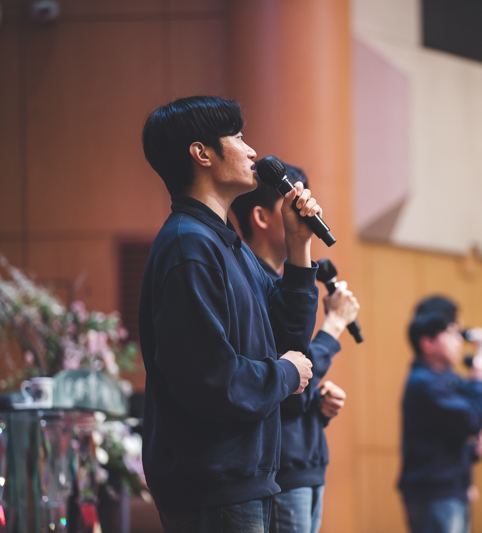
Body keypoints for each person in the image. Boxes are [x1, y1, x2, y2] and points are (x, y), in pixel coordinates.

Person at [139, 96, 322, 532]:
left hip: (242, 480)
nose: (252, 150)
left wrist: (298, 247)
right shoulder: (189, 246)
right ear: (202, 153)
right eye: (238, 137)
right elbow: (212, 379)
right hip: (213, 485)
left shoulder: (226, 244)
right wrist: (285, 373)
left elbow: (288, 341)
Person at [230, 167, 359, 533]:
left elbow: (294, 375)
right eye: (292, 203)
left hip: (306, 463)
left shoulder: (289, 283)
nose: (307, 211)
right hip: (281, 467)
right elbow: (278, 380)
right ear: (261, 217)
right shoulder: (250, 284)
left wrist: (318, 400)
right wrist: (332, 327)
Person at [399, 297, 482, 533]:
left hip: (447, 489)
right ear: (427, 343)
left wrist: (472, 452)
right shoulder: (424, 382)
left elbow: (440, 441)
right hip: (434, 492)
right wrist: (480, 377)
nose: (459, 341)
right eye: (451, 333)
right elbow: (473, 420)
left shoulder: (444, 378)